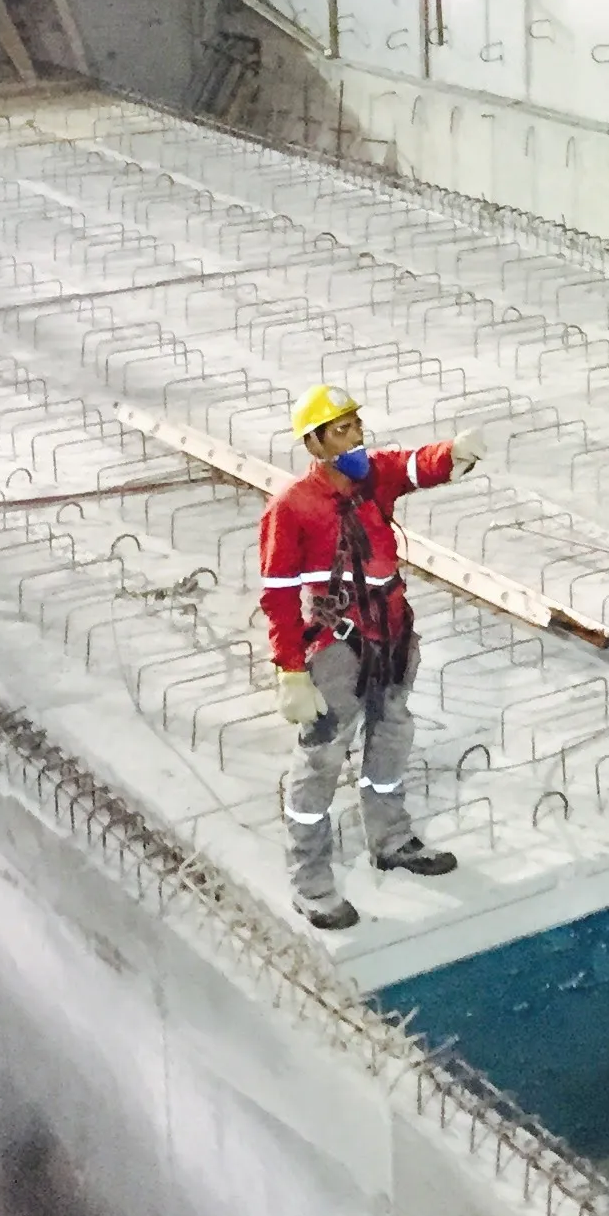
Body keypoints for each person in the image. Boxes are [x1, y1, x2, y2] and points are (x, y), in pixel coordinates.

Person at [259, 383, 481, 931]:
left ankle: (391, 837)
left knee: (391, 736)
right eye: (341, 429)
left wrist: (451, 455)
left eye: (356, 425)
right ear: (314, 444)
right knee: (320, 761)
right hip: (338, 648)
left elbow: (411, 466)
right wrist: (291, 669)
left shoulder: (369, 479)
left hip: (391, 634)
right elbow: (278, 595)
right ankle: (310, 881)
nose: (355, 437)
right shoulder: (292, 509)